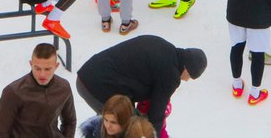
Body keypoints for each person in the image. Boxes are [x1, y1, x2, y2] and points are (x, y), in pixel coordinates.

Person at [75, 38, 206, 138]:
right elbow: (156, 113)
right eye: (190, 76)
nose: (187, 80)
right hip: (96, 86)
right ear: (187, 69)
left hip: (89, 74)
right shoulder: (171, 74)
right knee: (126, 126)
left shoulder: (165, 48)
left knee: (123, 122)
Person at [0, 42, 77, 138]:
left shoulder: (63, 87)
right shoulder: (13, 92)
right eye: (37, 68)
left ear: (56, 66)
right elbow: (1, 132)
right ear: (31, 64)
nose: (42, 74)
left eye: (47, 69)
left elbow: (70, 122)